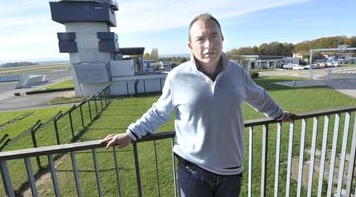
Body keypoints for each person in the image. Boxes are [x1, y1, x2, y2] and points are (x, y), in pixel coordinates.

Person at [102, 13, 293, 197]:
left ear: (222, 39)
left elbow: (259, 96)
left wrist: (279, 114)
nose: (208, 44)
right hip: (192, 170)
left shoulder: (237, 72)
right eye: (200, 39)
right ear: (190, 46)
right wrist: (130, 134)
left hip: (231, 171)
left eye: (214, 36)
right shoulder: (177, 76)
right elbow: (159, 112)